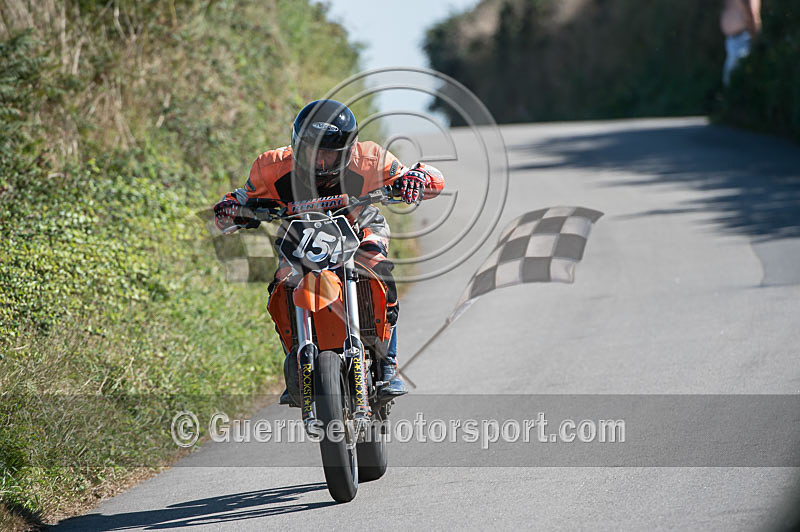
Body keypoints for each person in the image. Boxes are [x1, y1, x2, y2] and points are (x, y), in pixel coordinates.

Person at [213, 99, 444, 401]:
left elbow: (430, 178)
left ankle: (388, 364)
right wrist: (231, 210)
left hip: (360, 228)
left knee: (376, 265)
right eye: (313, 153)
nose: (321, 163)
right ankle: (297, 359)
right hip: (301, 236)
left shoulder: (371, 158)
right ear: (297, 146)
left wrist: (416, 179)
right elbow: (236, 201)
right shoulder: (270, 168)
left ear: (349, 151)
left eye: (330, 155)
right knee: (282, 282)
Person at [720, 0, 762, 85]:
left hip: (743, 40)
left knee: (734, 82)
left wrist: (755, 38)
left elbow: (752, 13)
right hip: (734, 41)